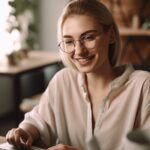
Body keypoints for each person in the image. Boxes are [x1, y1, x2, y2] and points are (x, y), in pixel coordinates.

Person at [6, 0, 150, 150]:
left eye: (88, 37)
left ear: (111, 35)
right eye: (69, 41)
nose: (79, 51)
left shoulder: (143, 85)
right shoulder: (63, 80)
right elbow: (39, 120)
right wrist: (24, 132)